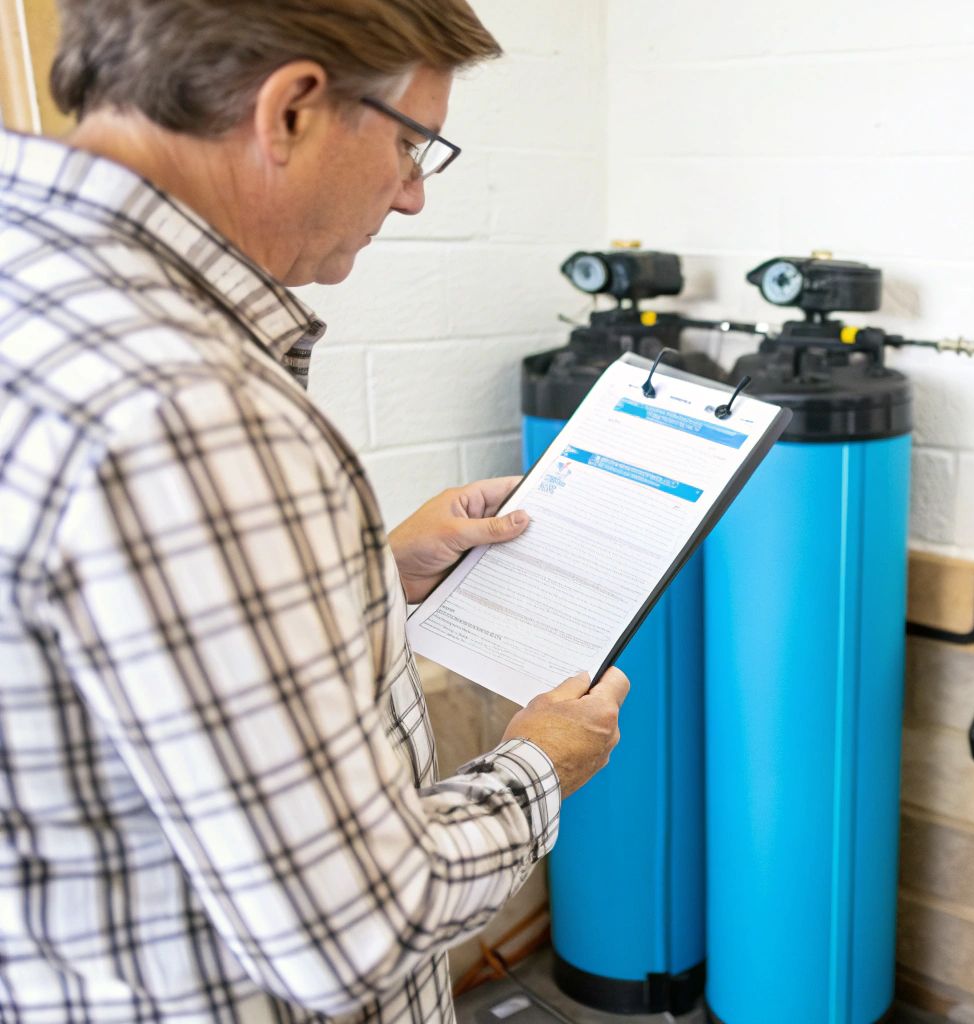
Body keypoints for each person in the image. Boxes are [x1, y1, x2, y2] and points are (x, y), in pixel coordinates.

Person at [0, 1, 628, 1020]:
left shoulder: (34, 279)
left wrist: (374, 569)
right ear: (290, 108)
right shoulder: (194, 407)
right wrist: (542, 764)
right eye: (412, 142)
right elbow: (353, 929)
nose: (415, 195)